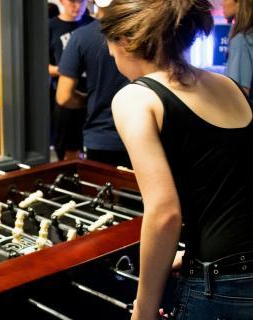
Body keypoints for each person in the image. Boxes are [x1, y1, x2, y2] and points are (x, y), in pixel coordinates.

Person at [100, 0, 253, 319]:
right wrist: (190, 253)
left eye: (110, 46)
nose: (111, 55)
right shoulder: (228, 85)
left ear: (126, 41)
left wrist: (143, 308)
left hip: (222, 286)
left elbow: (165, 213)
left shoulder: (135, 98)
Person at [56, 0, 129, 167]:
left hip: (102, 135)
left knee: (104, 191)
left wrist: (87, 100)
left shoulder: (82, 36)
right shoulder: (143, 32)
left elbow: (63, 96)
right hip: (143, 131)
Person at [49, 0, 93, 161]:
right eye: (72, 1)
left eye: (81, 2)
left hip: (92, 96)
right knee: (69, 154)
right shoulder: (51, 27)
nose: (77, 6)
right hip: (67, 97)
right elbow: (41, 65)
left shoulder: (93, 24)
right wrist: (67, 69)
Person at [223, 0, 253, 100]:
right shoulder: (248, 34)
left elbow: (240, 91)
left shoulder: (240, 39)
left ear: (239, 2)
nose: (222, 3)